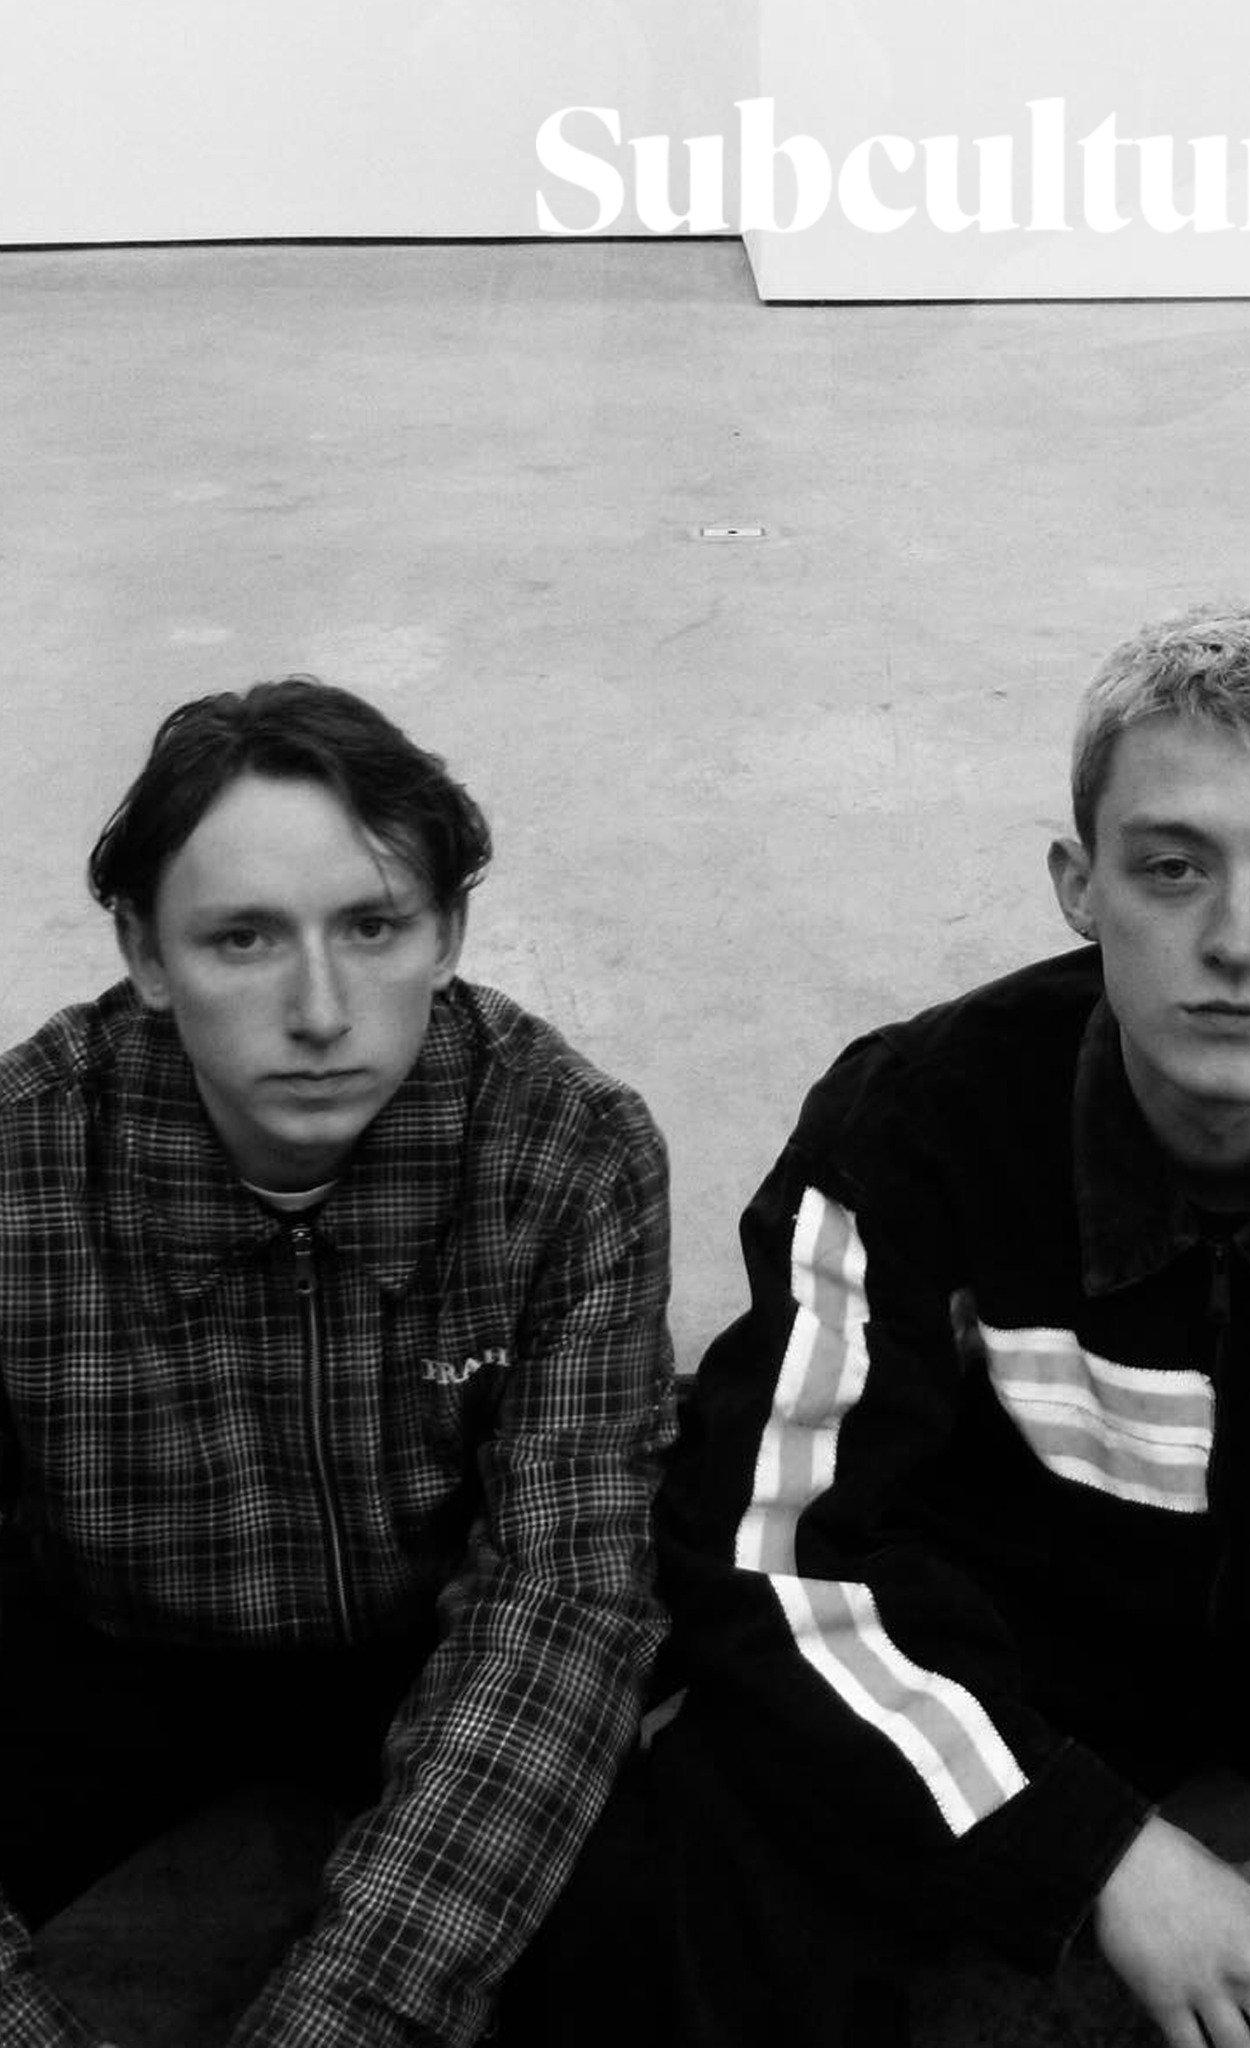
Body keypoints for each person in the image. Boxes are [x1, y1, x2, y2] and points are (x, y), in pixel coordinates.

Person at [657, 604, 1250, 2048]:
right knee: (704, 1814)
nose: (1239, 941)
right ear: (1080, 885)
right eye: (1172, 868)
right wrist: (1088, 1851)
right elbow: (770, 1548)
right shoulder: (914, 1129)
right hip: (1035, 1678)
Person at [0, 677, 674, 2047]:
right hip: (100, 1661)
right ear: (143, 952)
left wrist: (343, 2023)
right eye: (242, 938)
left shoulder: (566, 1153)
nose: (320, 1010)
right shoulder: (21, 1161)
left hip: (433, 1658)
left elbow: (557, 1603)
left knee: (667, 1893)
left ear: (449, 935)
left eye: (373, 928)